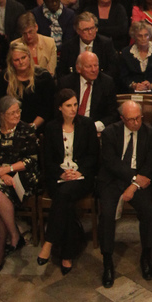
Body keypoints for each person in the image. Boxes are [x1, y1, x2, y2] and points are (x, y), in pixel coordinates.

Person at [39, 89, 99, 273]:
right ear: (59, 107)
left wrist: (78, 171)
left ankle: (49, 242)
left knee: (64, 196)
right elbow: (46, 160)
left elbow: (94, 156)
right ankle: (67, 254)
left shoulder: (87, 125)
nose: (73, 109)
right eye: (68, 106)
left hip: (81, 178)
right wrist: (61, 173)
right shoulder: (50, 128)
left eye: (75, 105)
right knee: (65, 202)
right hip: (59, 177)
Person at [98, 100, 152, 287]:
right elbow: (110, 162)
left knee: (148, 211)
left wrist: (134, 186)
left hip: (139, 183)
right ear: (122, 119)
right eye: (131, 120)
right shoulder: (109, 133)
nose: (136, 123)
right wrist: (133, 178)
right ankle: (107, 261)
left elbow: (150, 162)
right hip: (114, 180)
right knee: (106, 214)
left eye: (138, 118)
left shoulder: (150, 133)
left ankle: (146, 255)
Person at [0, 95, 40, 274]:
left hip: (23, 176)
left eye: (18, 111)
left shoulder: (27, 130)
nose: (17, 115)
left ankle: (0, 251)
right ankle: (14, 234)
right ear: (2, 115)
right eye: (12, 112)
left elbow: (32, 159)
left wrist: (8, 170)